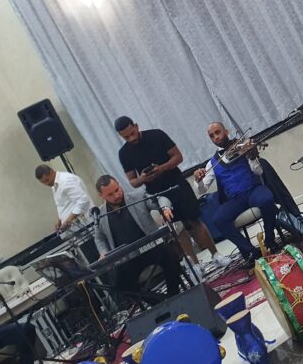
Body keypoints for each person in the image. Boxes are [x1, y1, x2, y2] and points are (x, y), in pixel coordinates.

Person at [115, 116, 232, 271]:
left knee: (194, 221)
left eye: (132, 133)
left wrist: (162, 168)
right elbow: (132, 182)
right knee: (177, 229)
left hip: (177, 184)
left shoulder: (156, 135)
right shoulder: (124, 153)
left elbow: (178, 157)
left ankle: (215, 254)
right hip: (158, 194)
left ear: (136, 126)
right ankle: (195, 265)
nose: (131, 138)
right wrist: (143, 178)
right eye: (126, 137)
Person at [194, 122, 280, 262]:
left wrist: (252, 157)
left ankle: (269, 240)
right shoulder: (212, 163)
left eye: (218, 132)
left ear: (226, 132)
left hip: (253, 189)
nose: (216, 137)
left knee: (267, 199)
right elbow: (201, 190)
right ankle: (250, 251)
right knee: (218, 219)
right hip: (236, 199)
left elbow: (259, 172)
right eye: (212, 136)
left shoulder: (243, 147)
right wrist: (198, 180)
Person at [92, 175, 185, 300]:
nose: (116, 195)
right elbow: (99, 237)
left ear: (119, 184)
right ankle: (159, 302)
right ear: (101, 196)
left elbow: (160, 199)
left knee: (171, 255)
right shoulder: (100, 215)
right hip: (128, 259)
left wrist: (165, 208)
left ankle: (174, 295)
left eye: (117, 190)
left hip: (152, 248)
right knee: (119, 285)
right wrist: (103, 252)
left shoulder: (137, 197)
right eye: (110, 194)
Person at [34, 164, 98, 263]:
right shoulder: (54, 184)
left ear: (51, 172)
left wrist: (69, 219)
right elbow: (64, 204)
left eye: (47, 180)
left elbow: (83, 200)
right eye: (43, 183)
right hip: (76, 232)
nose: (47, 184)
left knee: (95, 259)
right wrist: (60, 219)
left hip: (87, 229)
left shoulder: (66, 181)